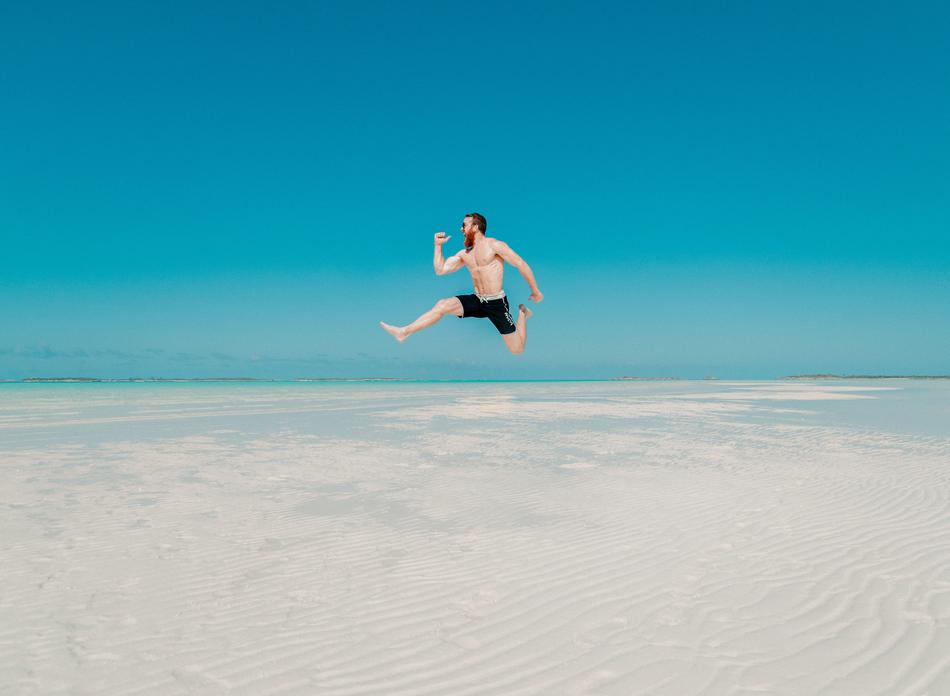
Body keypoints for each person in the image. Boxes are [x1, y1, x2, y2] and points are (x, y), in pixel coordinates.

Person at [380, 212, 543, 354]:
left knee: (517, 350)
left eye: (464, 225)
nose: (461, 229)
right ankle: (404, 332)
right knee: (442, 305)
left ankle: (523, 314)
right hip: (477, 300)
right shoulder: (465, 254)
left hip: (496, 303)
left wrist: (535, 291)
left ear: (475, 227)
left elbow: (520, 264)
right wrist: (437, 246)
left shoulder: (494, 245)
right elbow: (440, 270)